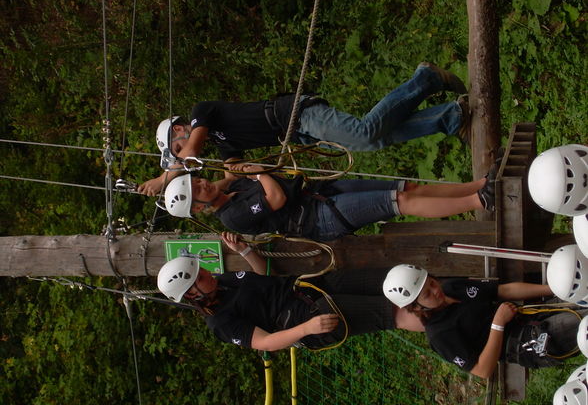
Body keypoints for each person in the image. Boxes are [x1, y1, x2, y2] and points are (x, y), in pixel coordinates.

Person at [138, 62, 470, 196]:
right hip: (298, 132)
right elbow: (232, 175)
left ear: (180, 129)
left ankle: (424, 80)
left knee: (366, 132)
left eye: (177, 146)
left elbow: (193, 152)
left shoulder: (202, 114)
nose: (184, 151)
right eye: (178, 153)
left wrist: (164, 177)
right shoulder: (223, 143)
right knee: (374, 141)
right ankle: (448, 117)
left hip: (294, 114)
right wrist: (213, 188)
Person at [156, 232, 424, 351]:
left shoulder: (223, 281)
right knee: (391, 312)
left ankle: (453, 292)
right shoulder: (220, 322)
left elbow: (263, 279)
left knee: (391, 279)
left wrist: (245, 252)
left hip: (309, 287)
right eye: (200, 278)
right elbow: (264, 343)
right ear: (192, 295)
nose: (207, 274)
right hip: (305, 318)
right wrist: (307, 329)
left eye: (202, 270)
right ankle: (447, 318)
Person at [163, 161, 496, 242]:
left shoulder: (228, 190)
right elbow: (276, 198)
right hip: (319, 218)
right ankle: (478, 202)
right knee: (399, 201)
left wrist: (178, 172)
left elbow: (224, 176)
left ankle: (476, 185)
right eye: (198, 192)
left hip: (318, 194)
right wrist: (258, 171)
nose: (203, 184)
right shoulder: (232, 218)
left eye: (198, 181)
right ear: (198, 209)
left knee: (405, 186)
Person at [382, 264, 584, 379]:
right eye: (427, 294)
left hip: (529, 316)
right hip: (524, 344)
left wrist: (556, 288)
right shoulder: (440, 335)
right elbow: (482, 370)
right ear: (416, 307)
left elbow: (504, 291)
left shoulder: (452, 287)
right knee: (579, 323)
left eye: (433, 283)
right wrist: (498, 324)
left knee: (580, 293)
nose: (436, 290)